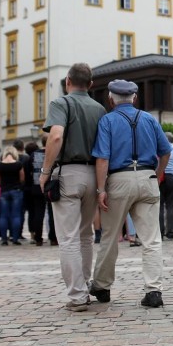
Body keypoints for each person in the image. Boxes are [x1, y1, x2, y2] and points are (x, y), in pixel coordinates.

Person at [89, 79, 171, 308]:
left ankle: (102, 286)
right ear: (134, 98)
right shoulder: (148, 119)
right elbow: (165, 152)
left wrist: (101, 189)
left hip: (118, 179)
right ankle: (154, 290)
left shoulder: (107, 120)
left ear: (110, 98)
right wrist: (158, 173)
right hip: (147, 177)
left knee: (110, 236)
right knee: (151, 239)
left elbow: (102, 158)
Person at [40, 63, 106, 311]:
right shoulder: (99, 109)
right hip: (93, 174)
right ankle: (85, 283)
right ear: (90, 84)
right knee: (86, 234)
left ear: (67, 81)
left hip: (68, 172)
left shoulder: (61, 103)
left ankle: (77, 296)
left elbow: (56, 136)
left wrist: (45, 171)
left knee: (67, 237)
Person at [0, 146, 24, 246]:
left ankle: (4, 239)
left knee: (3, 216)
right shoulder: (18, 164)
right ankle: (15, 238)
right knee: (16, 215)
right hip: (16, 190)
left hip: (4, 191)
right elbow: (22, 178)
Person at [159, 132, 173, 240]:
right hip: (172, 178)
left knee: (159, 206)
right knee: (171, 206)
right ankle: (171, 231)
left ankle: (160, 231)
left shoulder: (159, 149)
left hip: (161, 177)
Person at [24, 141, 47, 246]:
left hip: (36, 186)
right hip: (52, 186)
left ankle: (38, 238)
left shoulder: (33, 154)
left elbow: (28, 172)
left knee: (38, 213)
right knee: (53, 213)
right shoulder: (54, 151)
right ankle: (54, 237)